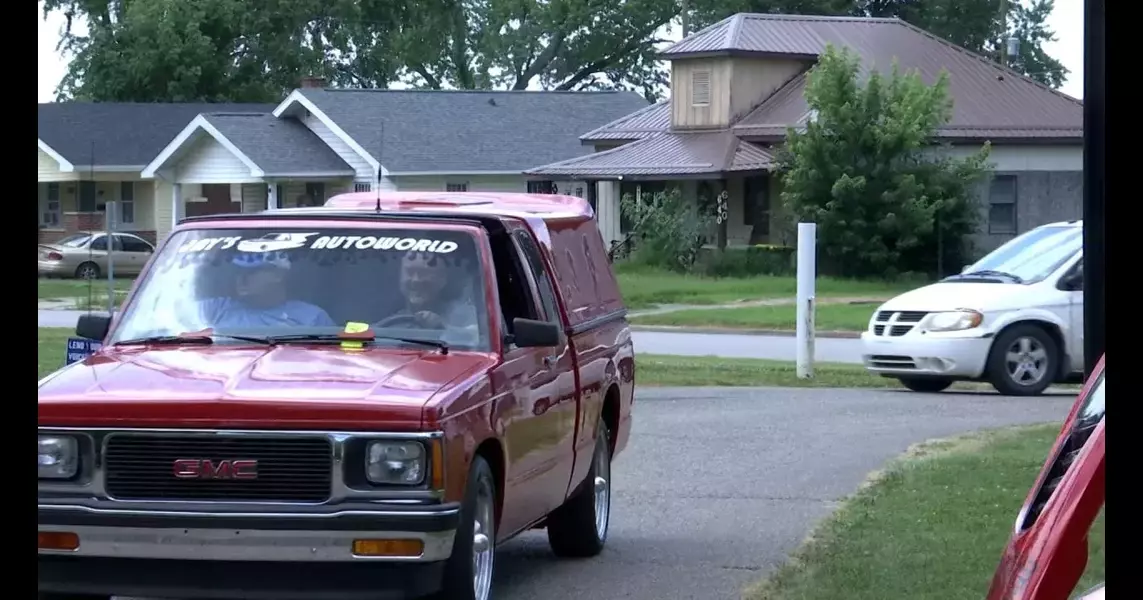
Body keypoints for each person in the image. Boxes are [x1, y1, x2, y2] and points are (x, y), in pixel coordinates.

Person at [197, 251, 335, 329]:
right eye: (238, 272)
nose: (241, 280)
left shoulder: (311, 318)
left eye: (251, 272)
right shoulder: (214, 309)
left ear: (278, 275)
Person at [377, 249, 478, 339]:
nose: (416, 280)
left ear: (442, 279)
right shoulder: (382, 315)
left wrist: (443, 328)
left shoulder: (464, 314)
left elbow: (475, 338)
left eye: (424, 273)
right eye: (409, 272)